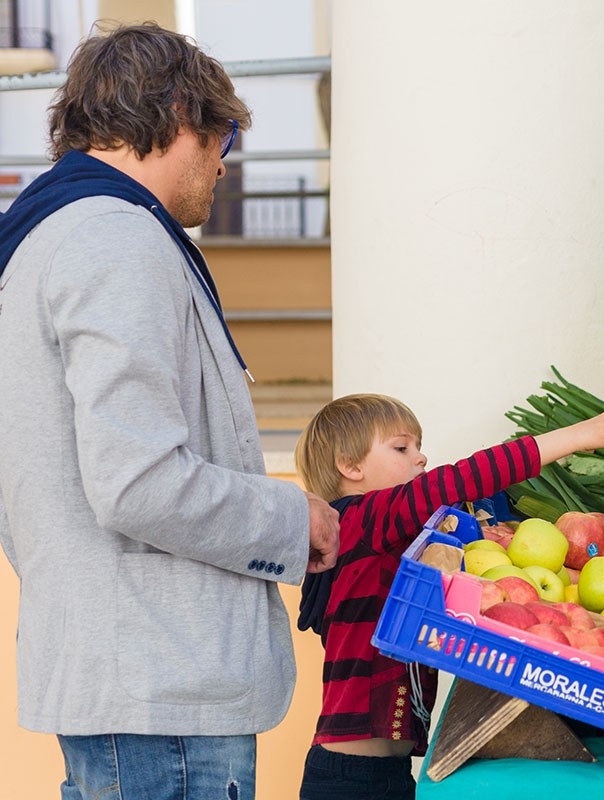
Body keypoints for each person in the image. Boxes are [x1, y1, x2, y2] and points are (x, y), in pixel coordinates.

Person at [0, 22, 340, 799]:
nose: (225, 163)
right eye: (224, 137)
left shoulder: (41, 238)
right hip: (163, 689)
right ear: (180, 115)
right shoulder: (115, 240)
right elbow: (139, 483)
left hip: (122, 676)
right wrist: (297, 522)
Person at [292, 392, 604, 800]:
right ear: (349, 465)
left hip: (383, 770)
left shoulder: (378, 539)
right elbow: (463, 478)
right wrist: (579, 436)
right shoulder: (362, 518)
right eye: (402, 447)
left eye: (420, 447)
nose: (421, 458)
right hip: (350, 779)